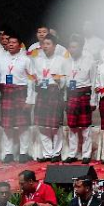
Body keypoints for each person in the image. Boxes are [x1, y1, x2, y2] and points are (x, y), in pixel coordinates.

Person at [27, 34, 70, 163]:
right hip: (42, 92)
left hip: (54, 92)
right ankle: (47, 153)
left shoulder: (62, 60)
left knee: (55, 126)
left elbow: (67, 79)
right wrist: (35, 82)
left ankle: (56, 153)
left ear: (55, 46)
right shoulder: (37, 60)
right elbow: (33, 77)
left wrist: (60, 80)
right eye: (43, 44)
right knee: (42, 125)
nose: (45, 46)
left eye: (48, 44)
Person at [0, 33, 33, 163]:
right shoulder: (0, 59)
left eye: (14, 42)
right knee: (7, 126)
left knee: (23, 125)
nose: (10, 44)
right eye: (9, 42)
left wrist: (30, 99)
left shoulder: (26, 60)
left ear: (19, 45)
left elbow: (32, 80)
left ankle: (23, 153)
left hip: (21, 92)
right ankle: (8, 152)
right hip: (6, 93)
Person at [64, 35, 97, 163]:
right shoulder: (65, 62)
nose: (72, 50)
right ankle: (72, 154)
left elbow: (94, 82)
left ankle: (86, 155)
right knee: (72, 127)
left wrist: (93, 100)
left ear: (81, 47)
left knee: (85, 127)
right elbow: (64, 82)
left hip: (84, 94)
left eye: (75, 47)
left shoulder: (90, 62)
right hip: (71, 95)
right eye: (70, 47)